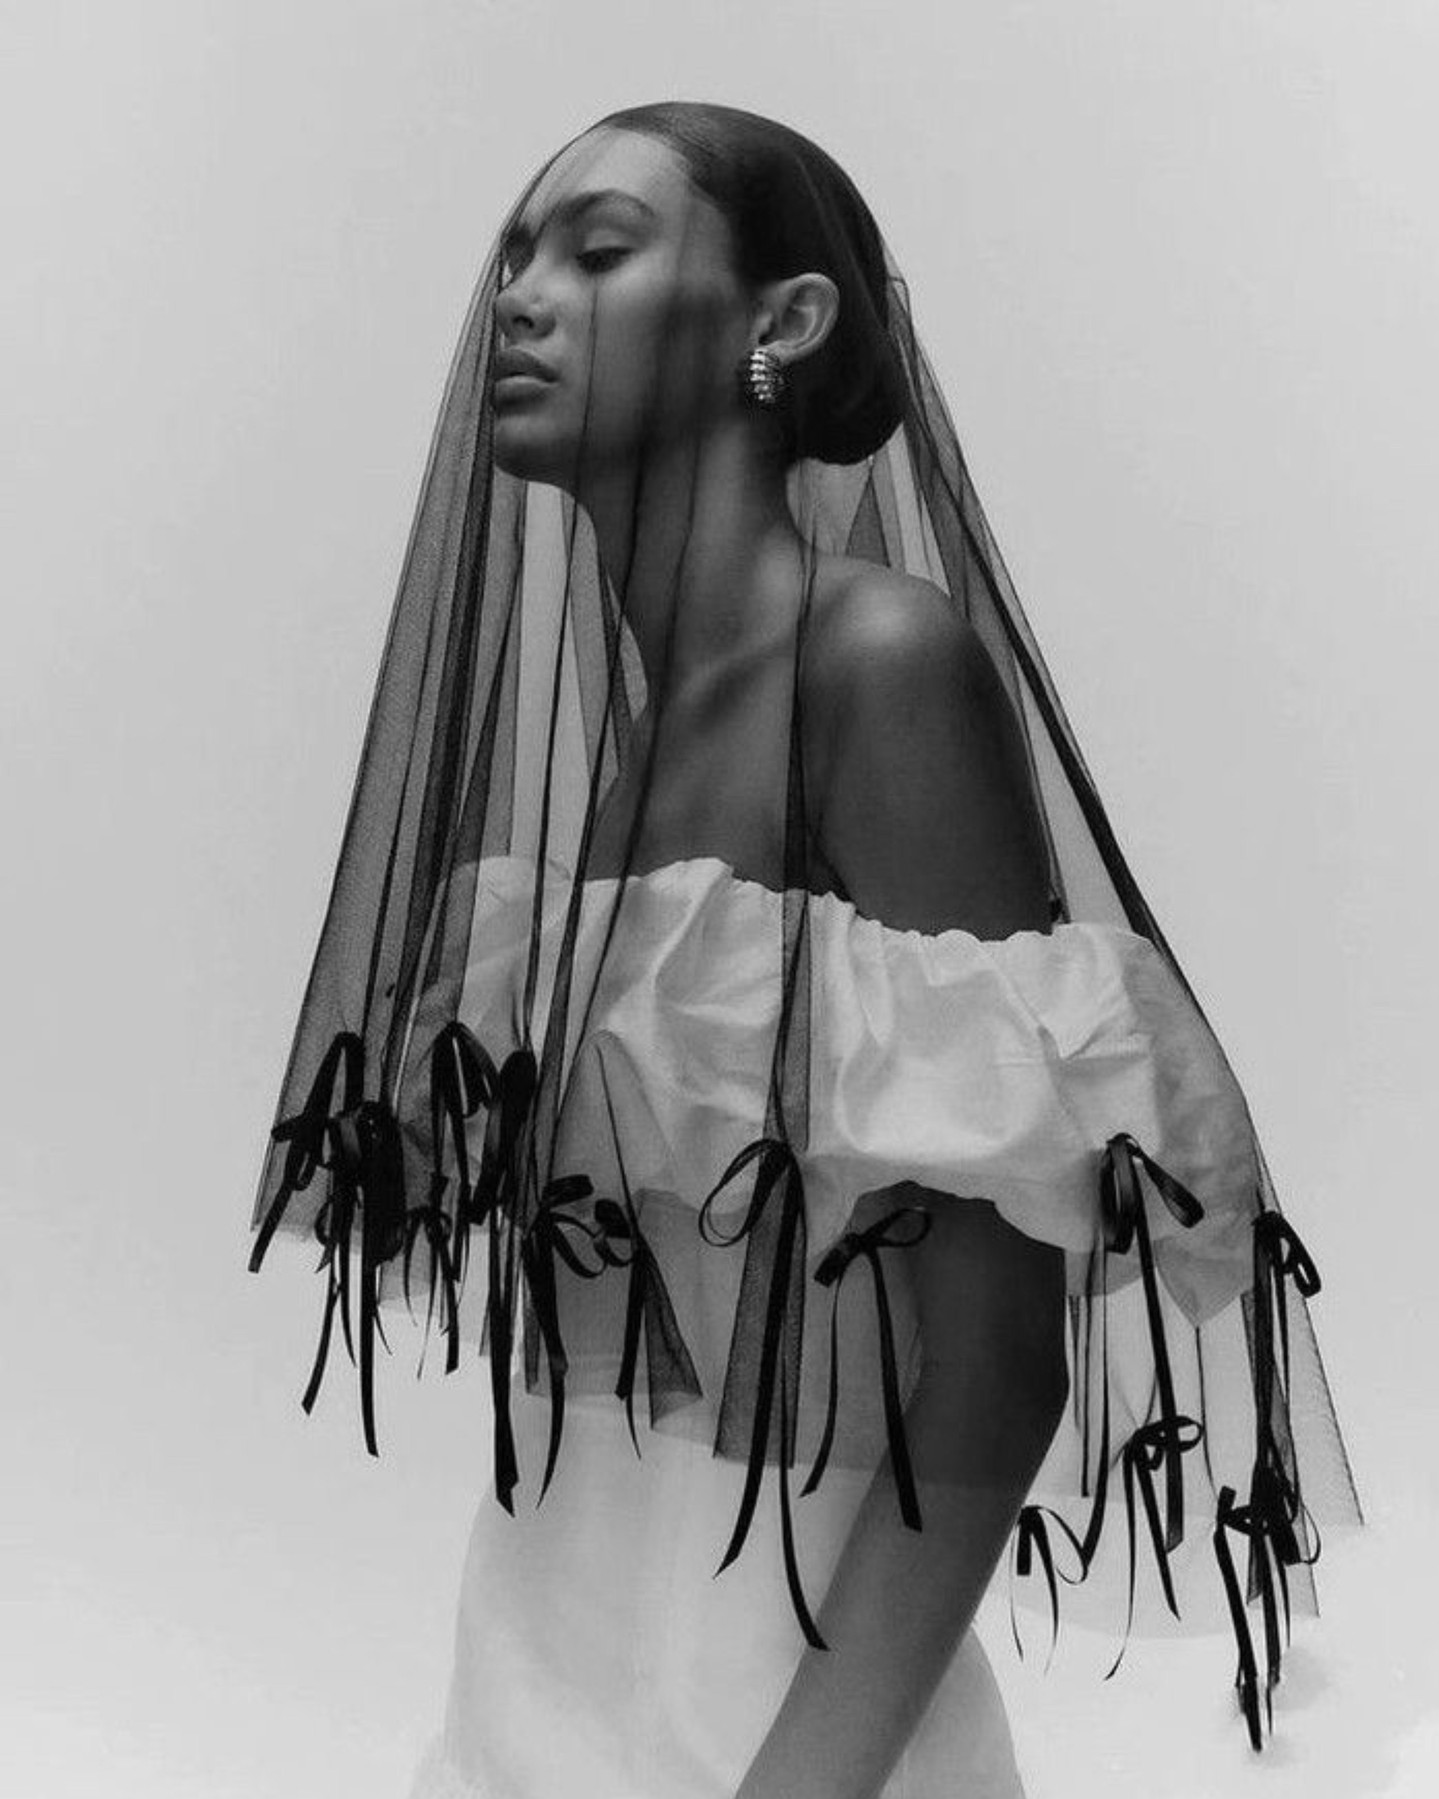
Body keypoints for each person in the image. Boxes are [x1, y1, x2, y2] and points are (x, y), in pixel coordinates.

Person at [248, 102, 1362, 1799]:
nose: (521, 299)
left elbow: (994, 1366)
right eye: (514, 258)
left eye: (598, 251)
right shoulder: (629, 753)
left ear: (783, 321)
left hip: (787, 1722)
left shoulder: (879, 667)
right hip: (538, 1674)